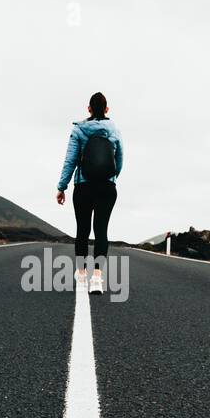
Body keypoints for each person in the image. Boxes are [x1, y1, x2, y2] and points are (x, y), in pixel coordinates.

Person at [56, 93, 123, 294]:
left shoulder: (79, 130)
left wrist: (62, 187)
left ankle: (82, 276)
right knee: (101, 231)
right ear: (107, 109)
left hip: (83, 187)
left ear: (89, 109)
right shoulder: (115, 131)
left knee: (82, 231)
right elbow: (119, 160)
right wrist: (111, 178)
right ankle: (97, 278)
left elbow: (70, 160)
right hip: (107, 188)